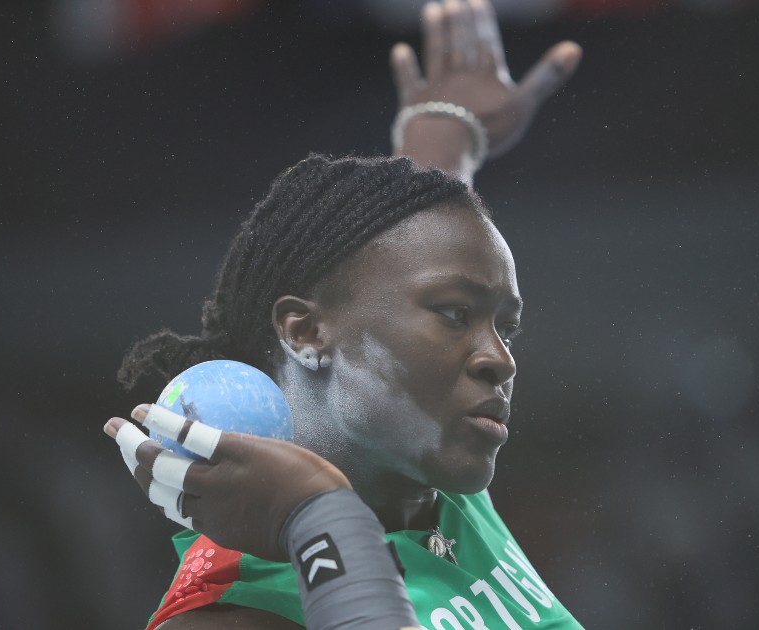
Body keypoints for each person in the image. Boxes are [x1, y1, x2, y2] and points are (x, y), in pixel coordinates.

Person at [104, 1, 583, 627]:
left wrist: (447, 131)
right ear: (305, 332)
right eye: (455, 316)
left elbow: (400, 250)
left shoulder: (434, 490)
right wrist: (319, 514)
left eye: (504, 327)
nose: (500, 359)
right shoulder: (233, 613)